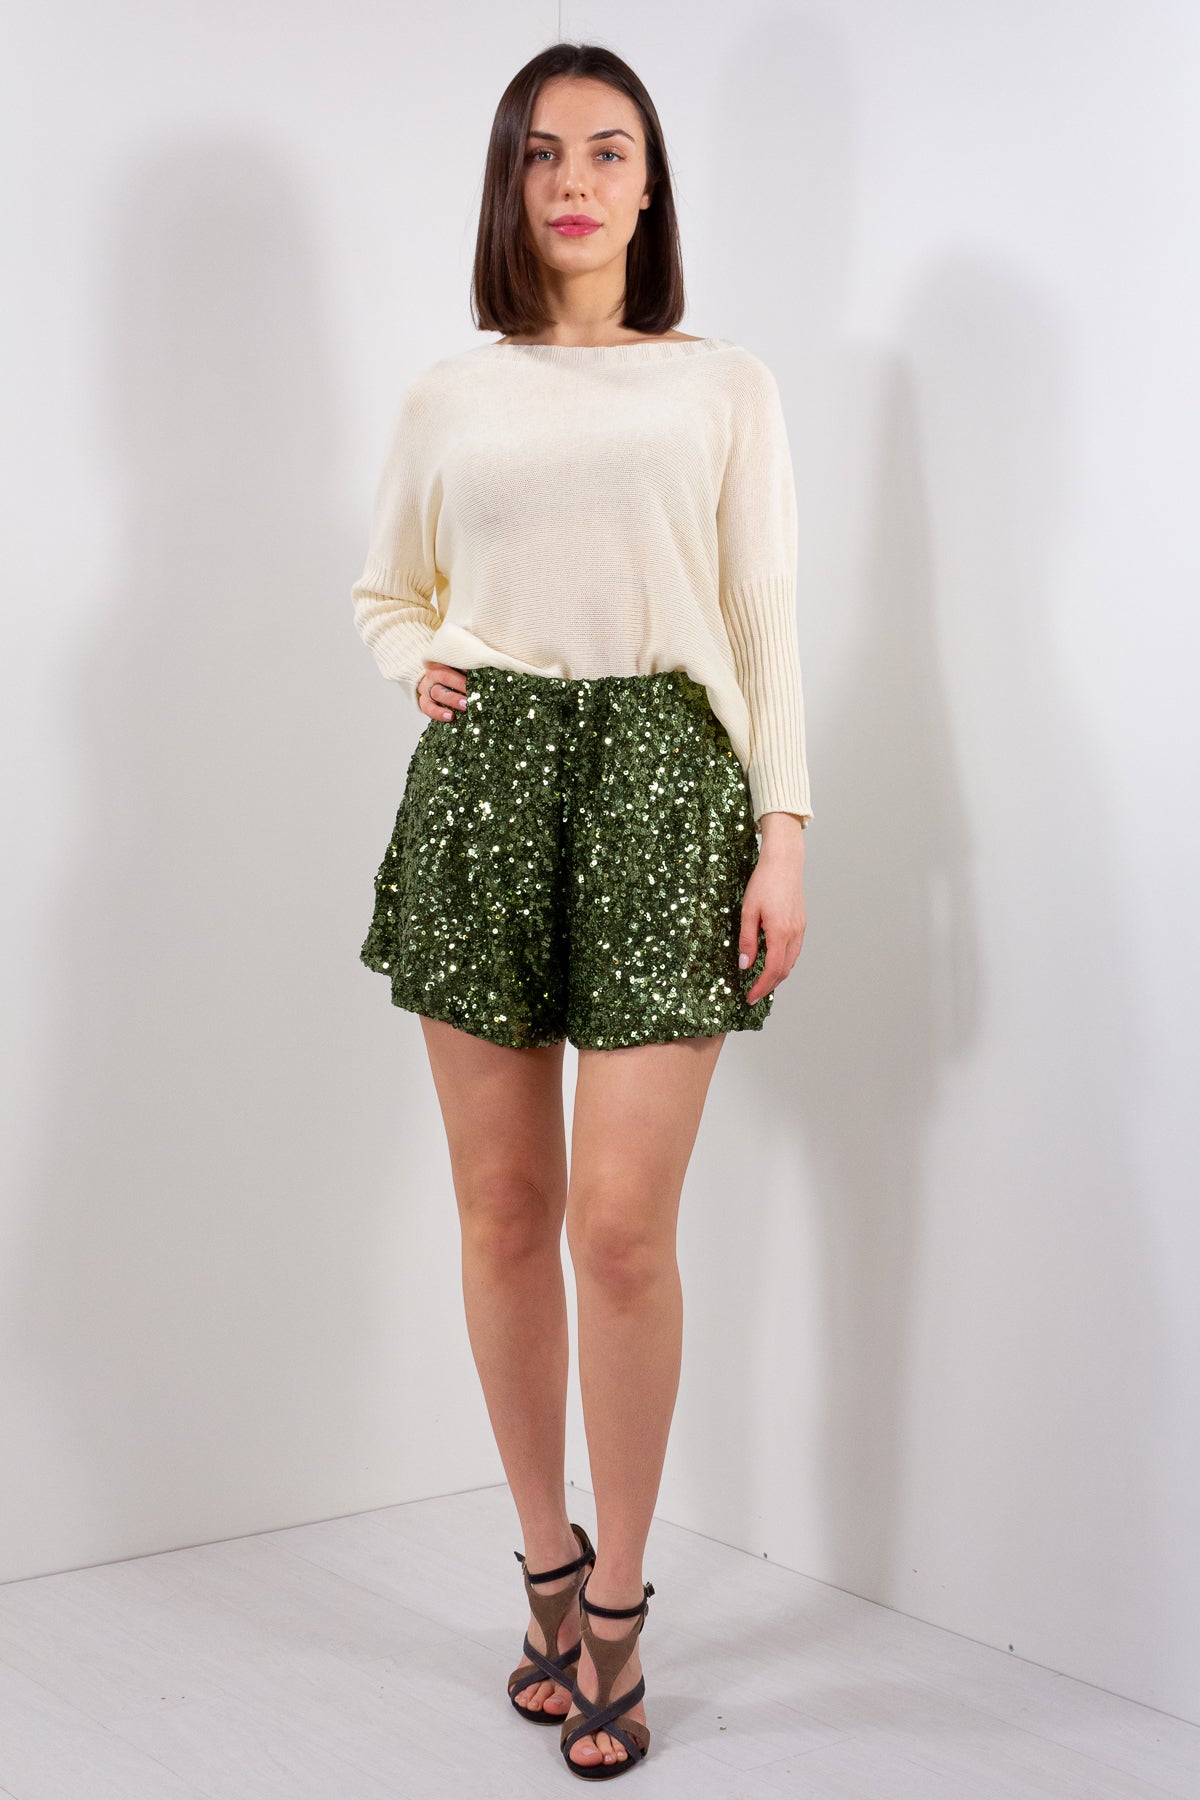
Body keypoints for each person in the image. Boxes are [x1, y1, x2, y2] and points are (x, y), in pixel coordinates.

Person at [350, 40, 813, 1781]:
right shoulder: (446, 396)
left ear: (650, 184)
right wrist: (416, 657)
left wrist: (784, 833)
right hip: (486, 782)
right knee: (501, 1209)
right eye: (544, 153)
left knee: (620, 1228)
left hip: (667, 784)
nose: (576, 182)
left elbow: (764, 617)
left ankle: (618, 1598)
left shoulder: (724, 387)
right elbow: (384, 586)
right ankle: (543, 1559)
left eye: (610, 151)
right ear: (510, 182)